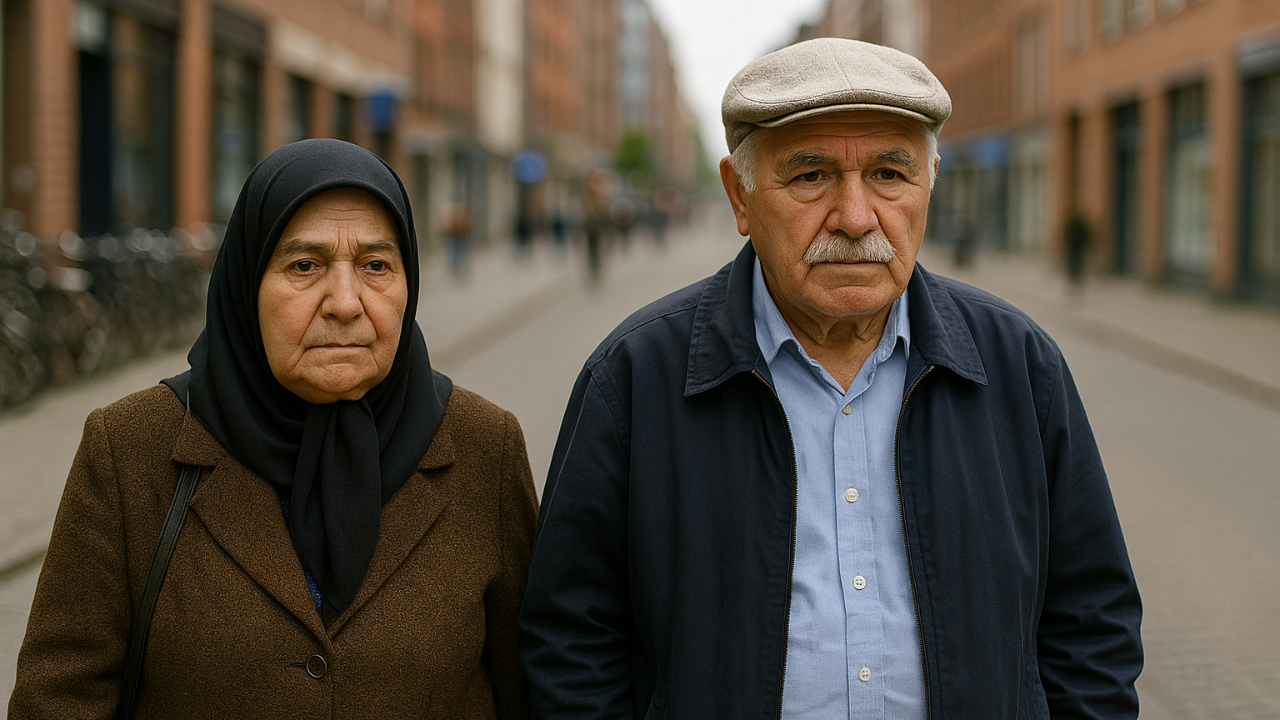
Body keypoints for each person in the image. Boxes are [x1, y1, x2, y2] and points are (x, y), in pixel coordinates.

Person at [520, 38, 1142, 719]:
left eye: (889, 174)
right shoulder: (635, 379)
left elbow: (1092, 624)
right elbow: (571, 638)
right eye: (811, 176)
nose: (854, 218)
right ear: (740, 195)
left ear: (930, 181)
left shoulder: (1021, 365)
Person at [10, 139, 537, 719]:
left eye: (376, 265)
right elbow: (57, 702)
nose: (344, 302)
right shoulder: (132, 448)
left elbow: (530, 689)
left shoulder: (484, 446)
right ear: (246, 283)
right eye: (304, 265)